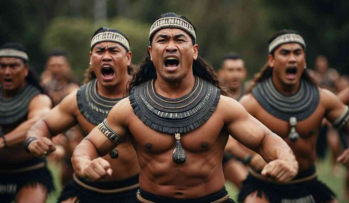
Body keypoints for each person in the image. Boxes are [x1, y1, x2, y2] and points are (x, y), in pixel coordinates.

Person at [72, 13, 299, 203]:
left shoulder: (222, 106)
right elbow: (89, 144)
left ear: (194, 51)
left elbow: (264, 140)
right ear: (151, 53)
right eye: (162, 40)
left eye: (180, 39)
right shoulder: (129, 108)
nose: (171, 46)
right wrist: (84, 162)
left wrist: (286, 158)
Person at [25, 27, 140, 203]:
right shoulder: (79, 100)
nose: (106, 56)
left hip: (133, 191)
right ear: (91, 59)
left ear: (128, 58)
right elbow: (42, 125)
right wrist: (33, 140)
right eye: (100, 51)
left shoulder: (145, 97)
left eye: (114, 50)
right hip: (86, 188)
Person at [237, 30, 349, 203]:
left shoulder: (322, 99)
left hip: (308, 183)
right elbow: (226, 139)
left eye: (297, 53)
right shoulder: (252, 102)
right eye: (285, 53)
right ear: (271, 61)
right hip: (264, 186)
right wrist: (250, 157)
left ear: (304, 60)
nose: (292, 59)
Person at [0, 43, 54, 203]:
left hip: (29, 172)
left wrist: (0, 142)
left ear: (25, 69)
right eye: (2, 66)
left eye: (13, 66)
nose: (7, 71)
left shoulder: (39, 98)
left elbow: (39, 119)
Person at [41, 49, 82, 187]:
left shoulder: (73, 89)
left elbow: (75, 121)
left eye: (60, 65)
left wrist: (63, 136)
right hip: (49, 133)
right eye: (52, 65)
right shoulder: (43, 87)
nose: (56, 69)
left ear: (67, 67)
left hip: (71, 138)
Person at [218, 52, 249, 189]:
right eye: (230, 70)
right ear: (221, 73)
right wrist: (250, 159)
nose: (235, 75)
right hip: (221, 157)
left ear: (244, 72)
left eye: (238, 70)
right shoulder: (213, 96)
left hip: (246, 154)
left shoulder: (252, 96)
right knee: (249, 187)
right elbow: (229, 145)